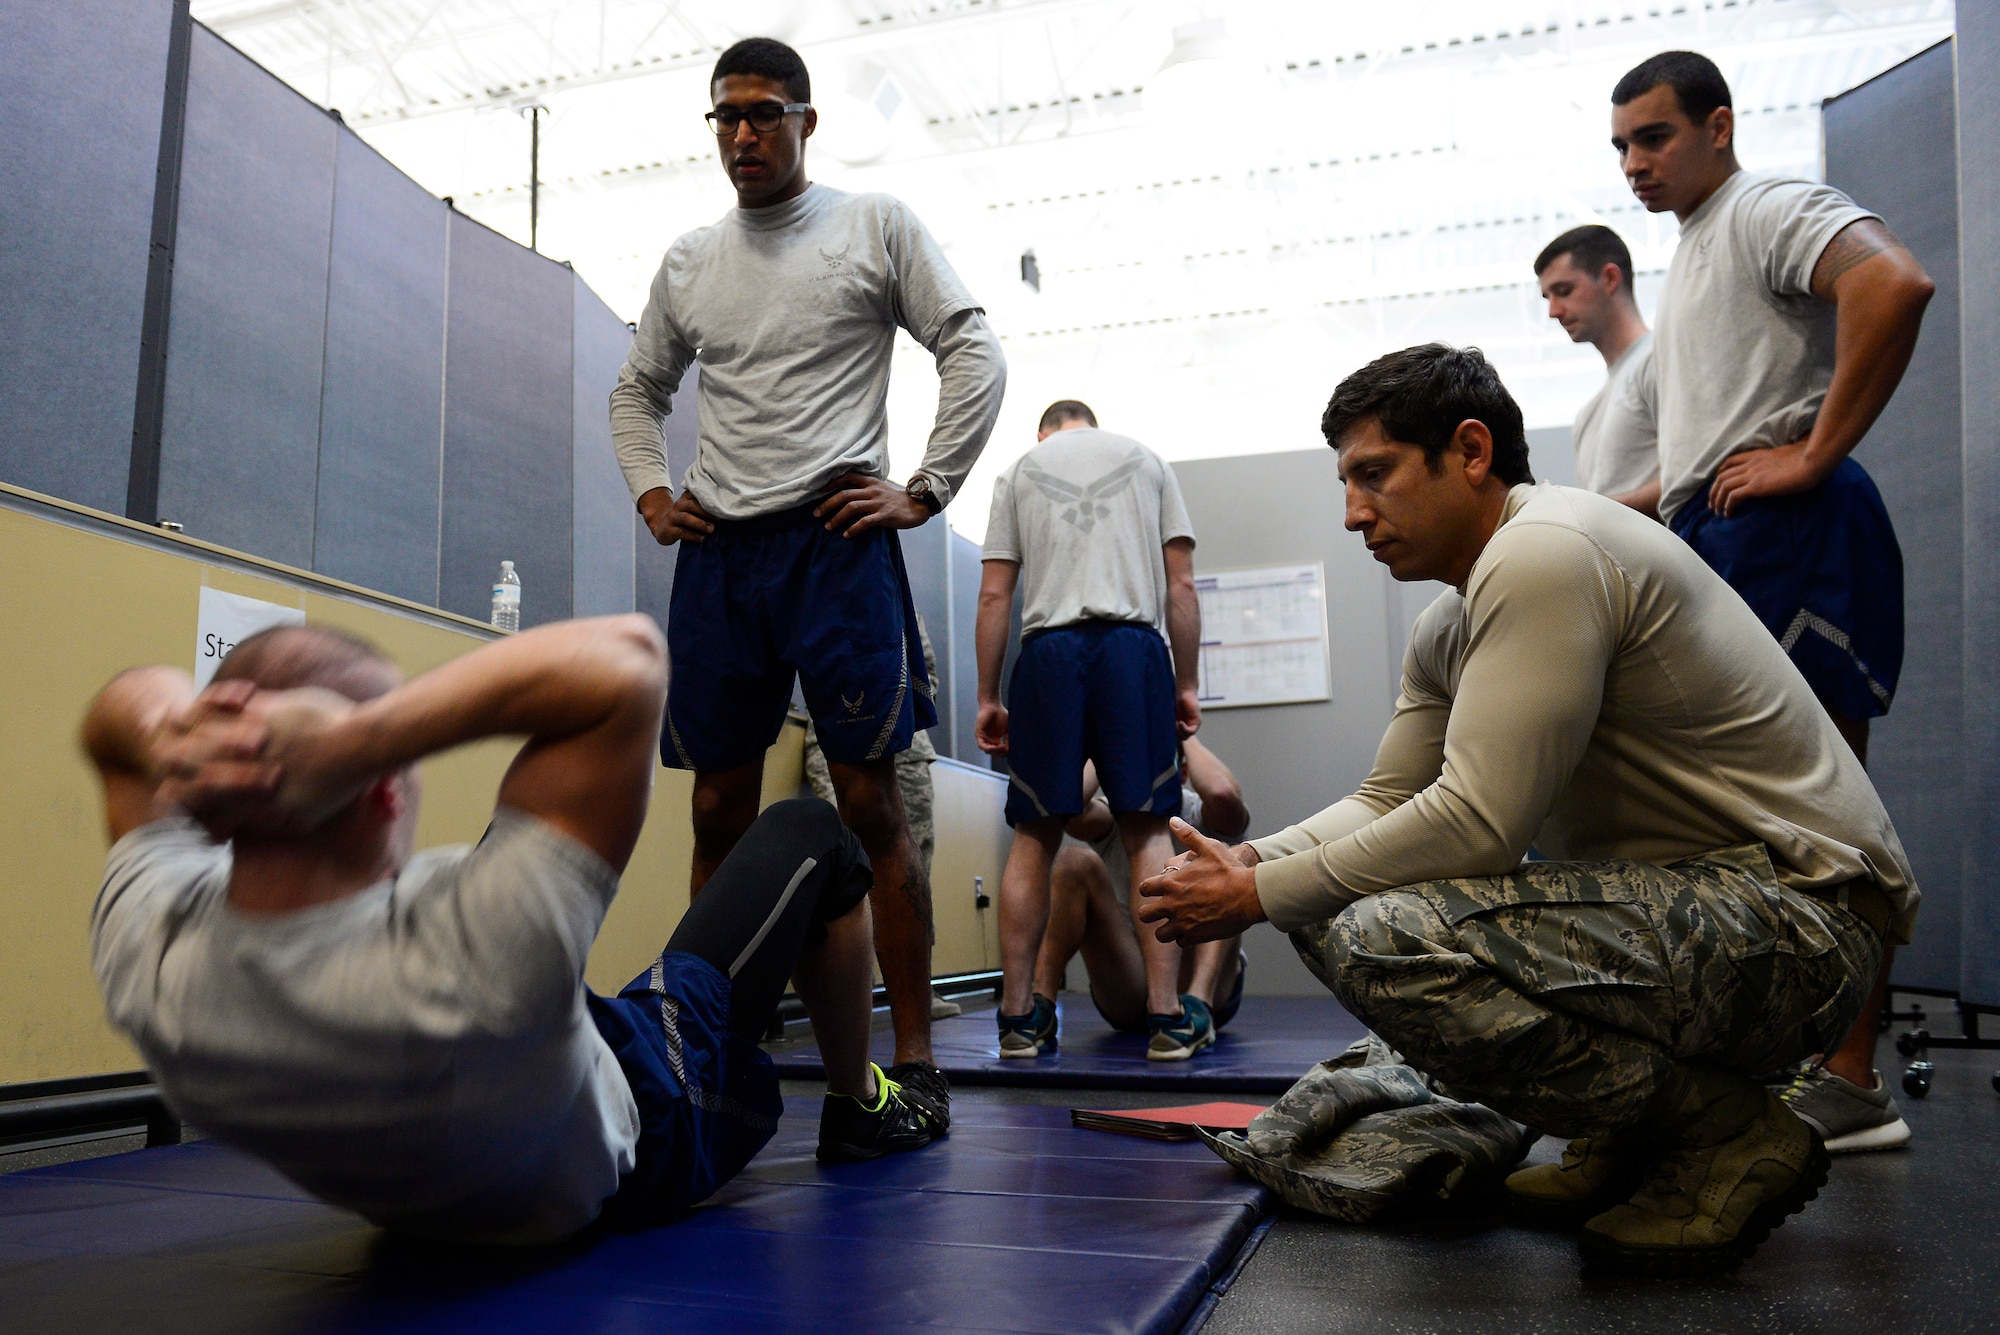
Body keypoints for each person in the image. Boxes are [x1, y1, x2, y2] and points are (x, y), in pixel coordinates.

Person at [1136, 344, 1917, 1276]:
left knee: (1383, 930)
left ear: (1470, 451)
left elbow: (1477, 823)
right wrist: (1250, 865)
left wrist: (1257, 895)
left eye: (1373, 475)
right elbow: (1391, 800)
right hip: (1716, 908)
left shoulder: (1545, 551)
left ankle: (1721, 1134)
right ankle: (1638, 1141)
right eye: (1346, 482)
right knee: (1326, 900)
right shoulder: (1453, 619)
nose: (1352, 514)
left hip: (1808, 923)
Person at [83, 620, 932, 1247]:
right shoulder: (473, 954)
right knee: (809, 830)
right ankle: (861, 1102)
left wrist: (189, 739)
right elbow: (628, 662)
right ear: (382, 788)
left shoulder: (153, 954)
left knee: (507, 868)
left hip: (457, 1123)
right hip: (651, 1113)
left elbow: (116, 723)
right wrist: (357, 742)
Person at [608, 37, 1007, 1135]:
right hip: (722, 562)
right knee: (715, 807)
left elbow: (971, 347)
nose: (742, 133)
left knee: (874, 807)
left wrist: (923, 490)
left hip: (838, 546)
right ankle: (705, 1054)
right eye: (725, 116)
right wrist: (652, 495)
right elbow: (634, 392)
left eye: (763, 114)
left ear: (805, 121)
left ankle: (912, 1060)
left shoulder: (872, 224)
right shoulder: (690, 259)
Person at [1612, 50, 1935, 1153]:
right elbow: (1705, 445)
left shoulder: (1763, 206)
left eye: (1650, 137)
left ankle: (1851, 1080)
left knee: (1824, 814)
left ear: (1715, 124)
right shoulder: (1697, 250)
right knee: (1750, 827)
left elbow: (1891, 281)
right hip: (1724, 531)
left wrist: (1813, 454)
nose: (1632, 164)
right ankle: (1800, 1064)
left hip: (1791, 529)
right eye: (1619, 147)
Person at [976, 399, 1209, 1060]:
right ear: (1094, 424)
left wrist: (989, 694)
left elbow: (995, 595)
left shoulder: (1020, 469)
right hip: (1131, 649)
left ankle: (1019, 1019)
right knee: (1147, 832)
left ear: (1044, 431)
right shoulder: (1148, 460)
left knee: (1033, 837)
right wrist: (1186, 682)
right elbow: (1182, 586)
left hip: (1048, 652)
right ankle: (1166, 1016)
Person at [1030, 737, 1250, 1041]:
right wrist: (1103, 734)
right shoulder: (1114, 814)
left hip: (1204, 986)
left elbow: (1222, 793)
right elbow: (1070, 806)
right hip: (1131, 983)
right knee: (1072, 861)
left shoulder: (1201, 814)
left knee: (1225, 856)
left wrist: (1182, 732)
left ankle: (1196, 1008)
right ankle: (1037, 1008)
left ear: (1179, 774)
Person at [802, 614, 961, 1021]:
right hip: (837, 729)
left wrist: (904, 720)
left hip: (903, 739)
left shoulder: (889, 585)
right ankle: (853, 987)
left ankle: (912, 987)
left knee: (913, 863)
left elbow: (924, 669)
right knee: (851, 866)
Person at [1533, 224, 1660, 513]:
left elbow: (1697, 476)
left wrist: (1597, 515)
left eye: (1563, 291)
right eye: (1547, 298)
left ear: (1610, 278)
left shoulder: (1658, 361)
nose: (1553, 311)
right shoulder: (1587, 417)